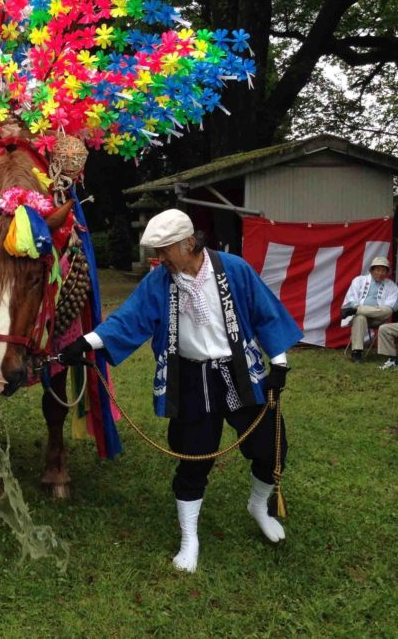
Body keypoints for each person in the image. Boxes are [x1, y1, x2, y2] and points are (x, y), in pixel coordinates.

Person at [58, 209, 302, 574]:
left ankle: (258, 504)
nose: (160, 258)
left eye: (165, 249)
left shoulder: (233, 269)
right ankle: (190, 538)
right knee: (193, 458)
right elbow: (131, 318)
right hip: (190, 377)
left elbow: (265, 311)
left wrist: (279, 363)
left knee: (271, 447)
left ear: (189, 242)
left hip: (239, 371)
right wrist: (86, 343)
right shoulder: (161, 280)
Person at [340, 256, 398, 362]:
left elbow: (392, 307)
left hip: (378, 318)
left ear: (387, 272)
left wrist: (358, 309)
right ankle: (357, 352)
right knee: (360, 317)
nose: (380, 273)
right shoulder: (359, 280)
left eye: (383, 270)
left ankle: (356, 311)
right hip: (360, 317)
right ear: (371, 270)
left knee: (388, 310)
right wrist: (358, 308)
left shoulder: (391, 286)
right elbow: (352, 299)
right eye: (377, 270)